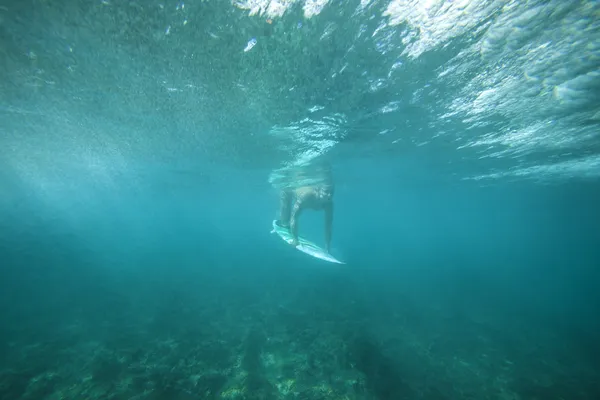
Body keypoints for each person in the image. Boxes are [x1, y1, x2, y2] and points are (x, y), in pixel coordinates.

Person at [276, 170, 334, 253]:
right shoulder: (307, 196)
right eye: (326, 192)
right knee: (285, 221)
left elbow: (328, 226)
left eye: (332, 192)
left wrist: (327, 247)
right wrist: (295, 239)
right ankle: (282, 221)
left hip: (301, 194)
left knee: (287, 221)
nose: (329, 195)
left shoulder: (329, 204)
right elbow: (294, 216)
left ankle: (288, 226)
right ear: (318, 190)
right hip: (288, 189)